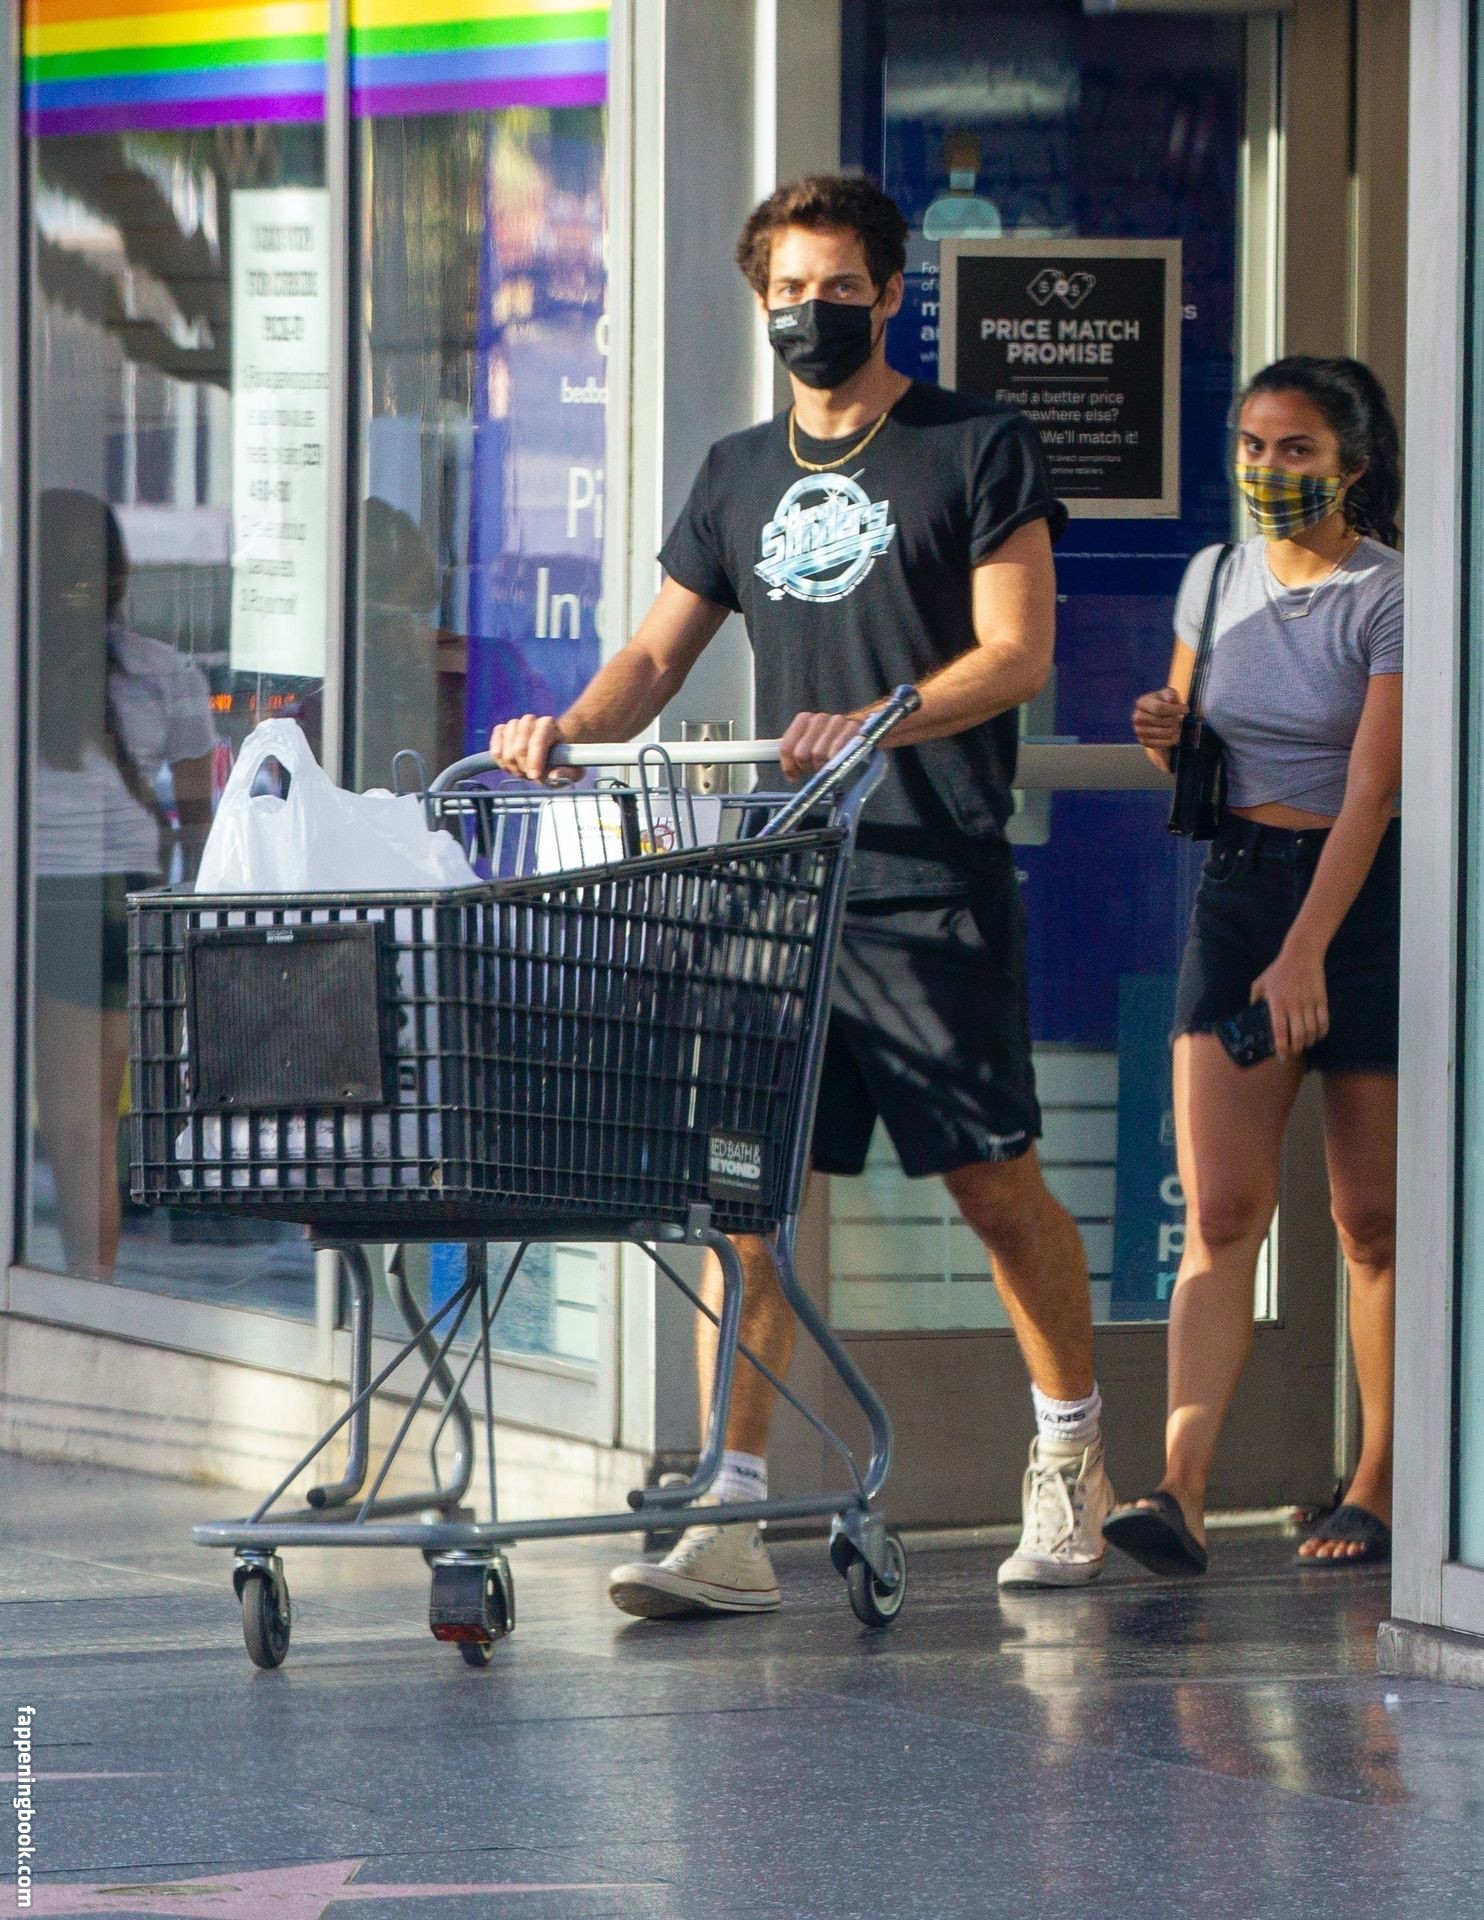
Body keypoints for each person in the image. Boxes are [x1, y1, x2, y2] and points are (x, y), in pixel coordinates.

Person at [490, 173, 1116, 1612]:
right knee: (748, 1206)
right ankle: (732, 1509)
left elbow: (1016, 653)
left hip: (927, 878)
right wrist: (565, 730)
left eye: (840, 289)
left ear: (890, 295)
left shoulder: (975, 447)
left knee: (994, 1186)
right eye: (789, 291)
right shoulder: (735, 473)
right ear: (758, 300)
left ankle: (1069, 1454)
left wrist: (886, 716)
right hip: (786, 890)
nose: (812, 313)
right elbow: (653, 659)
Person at [1107, 356, 1403, 1575]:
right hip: (1238, 891)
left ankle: (1378, 1483)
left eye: (1294, 450)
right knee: (1222, 1212)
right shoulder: (1213, 576)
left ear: (1350, 465)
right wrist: (1163, 735)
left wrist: (1305, 953)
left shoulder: (1390, 593)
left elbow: (1373, 789)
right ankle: (1176, 1487)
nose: (1266, 470)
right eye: (1251, 445)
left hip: (1364, 903)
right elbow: (1191, 754)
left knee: (1369, 1219)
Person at [32, 490, 216, 1280]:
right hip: (121, 900)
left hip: (35, 889)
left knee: (72, 1127)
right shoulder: (165, 671)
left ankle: (78, 1301)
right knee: (87, 1134)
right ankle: (90, 1301)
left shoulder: (16, 663)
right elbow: (200, 819)